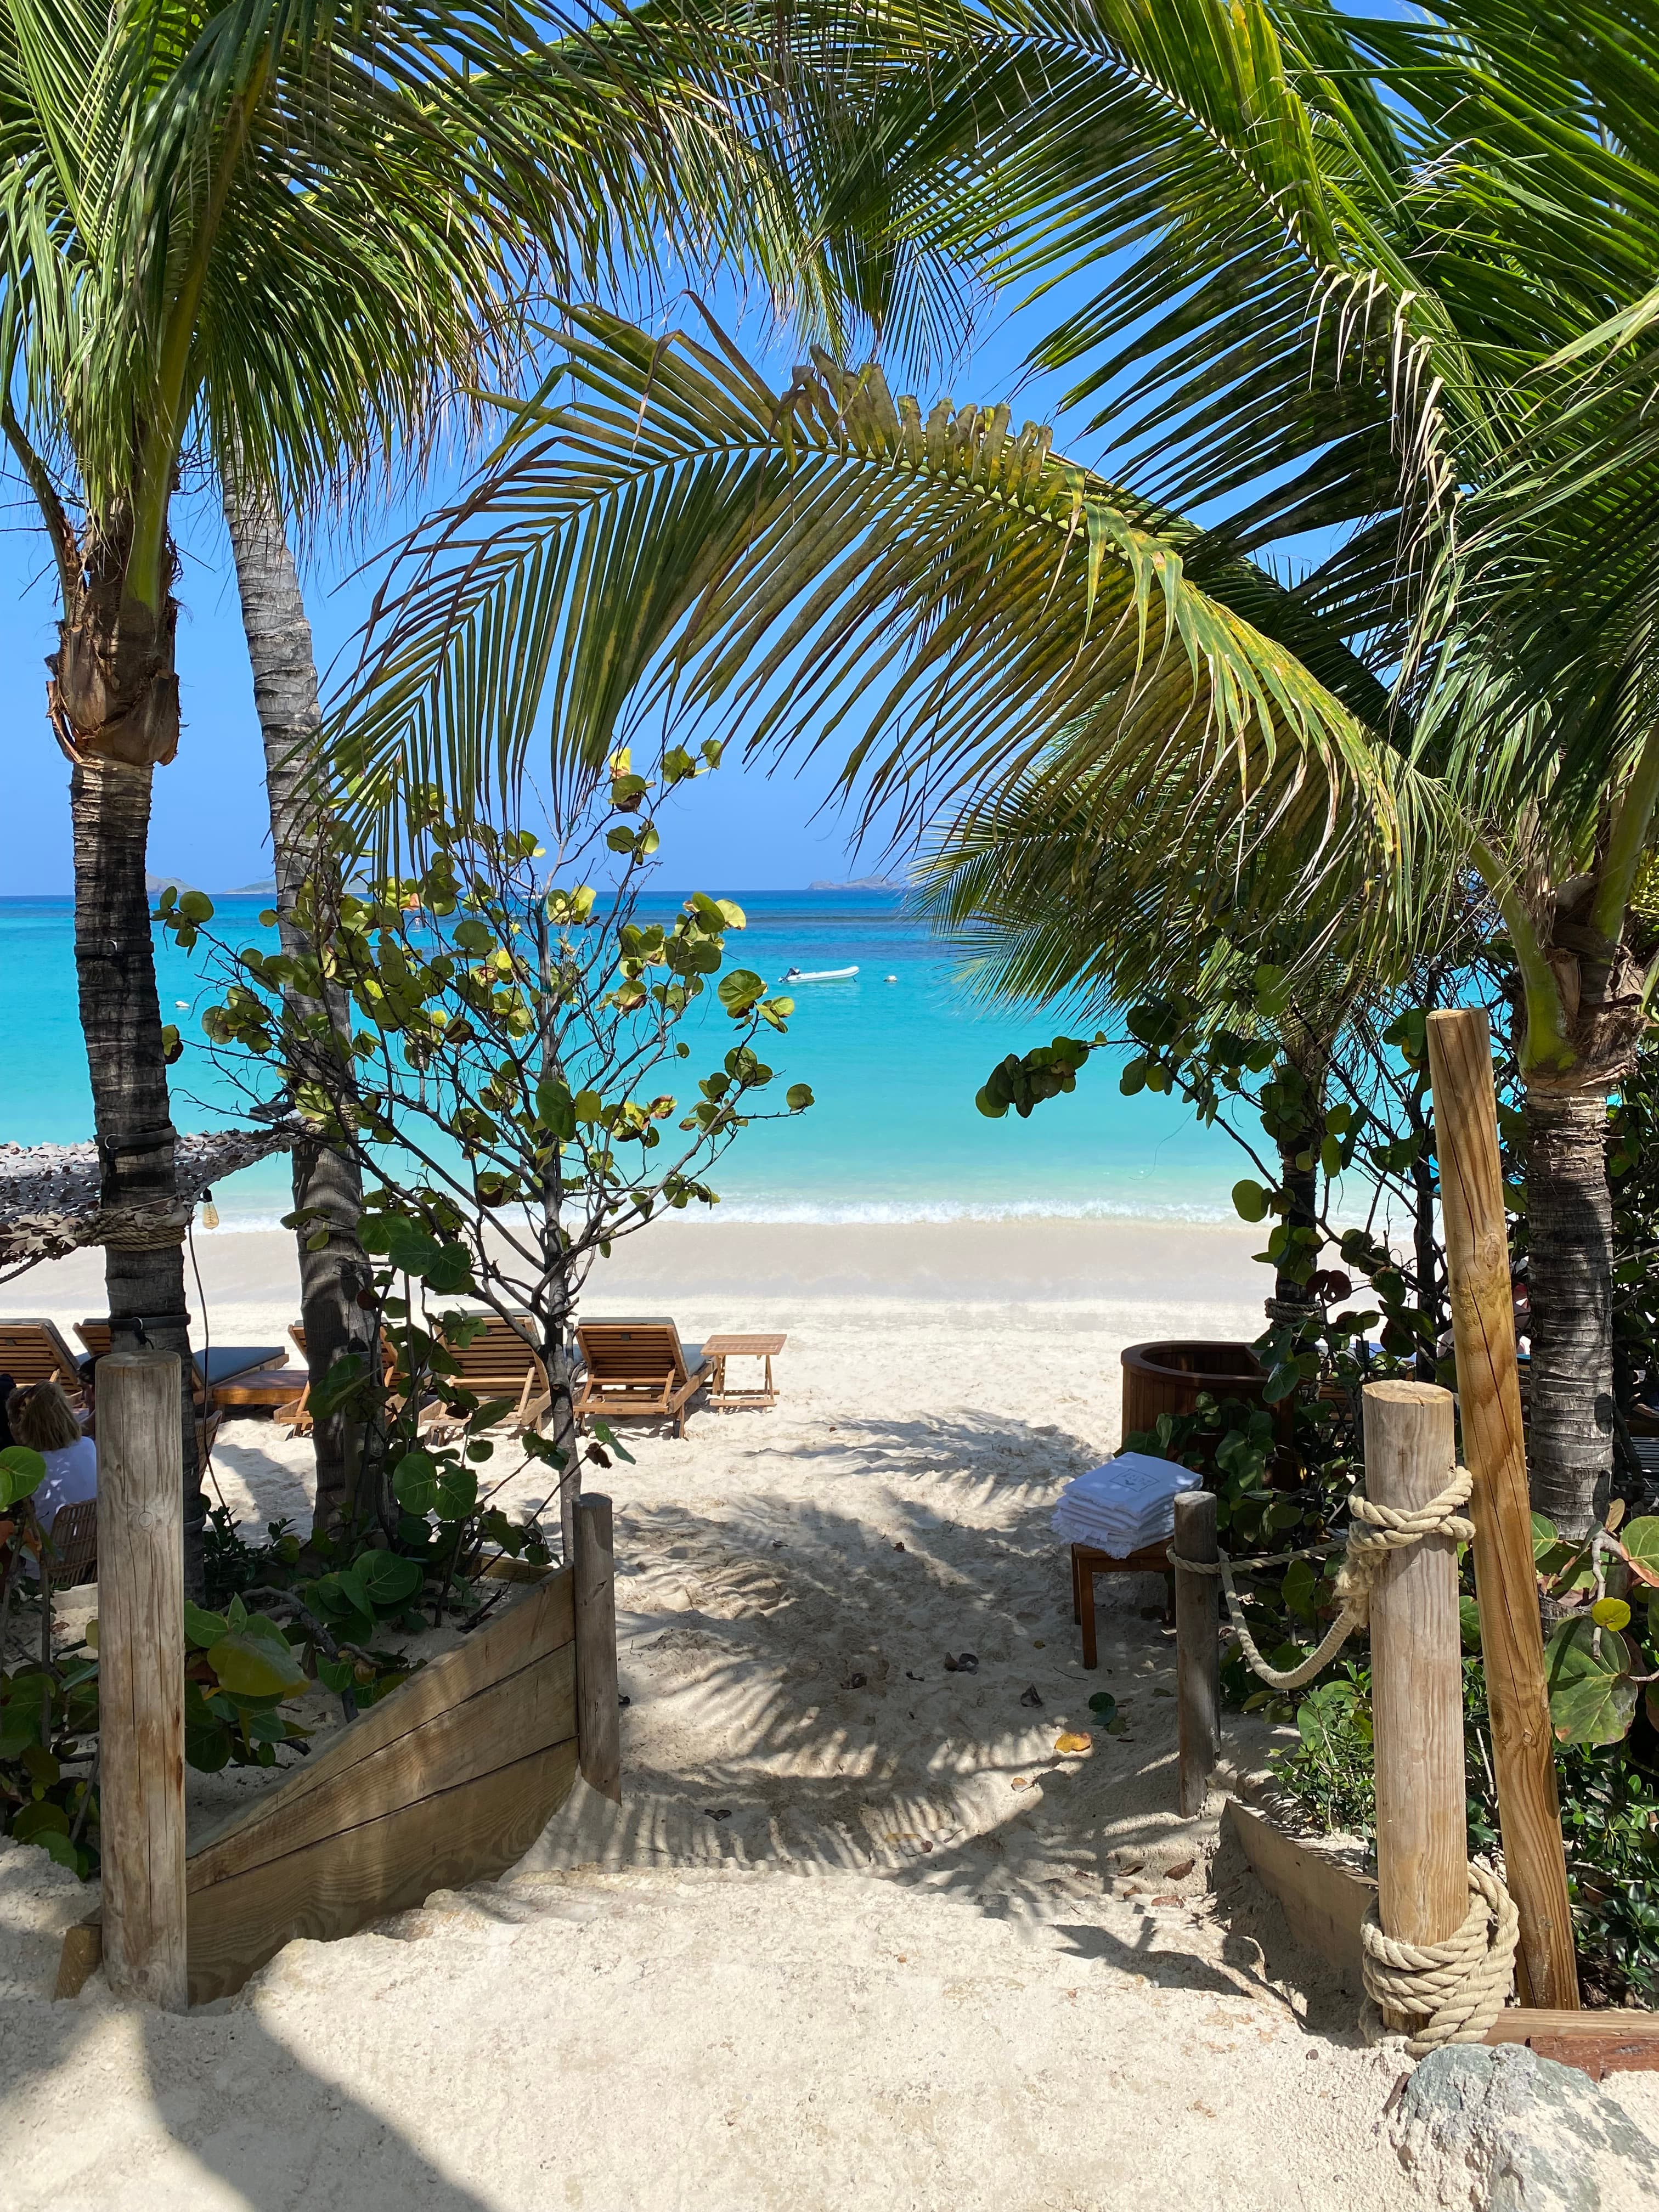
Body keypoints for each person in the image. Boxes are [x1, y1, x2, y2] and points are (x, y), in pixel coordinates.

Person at [6, 1379, 97, 1538]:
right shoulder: (87, 1446)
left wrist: (18, 1442)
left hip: (45, 1558)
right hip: (90, 1550)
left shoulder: (30, 1470)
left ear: (21, 1426)